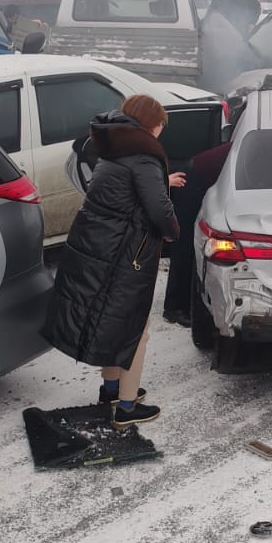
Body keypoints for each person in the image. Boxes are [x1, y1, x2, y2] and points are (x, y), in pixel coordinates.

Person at [42, 95, 182, 429]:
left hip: (99, 248)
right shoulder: (145, 156)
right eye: (161, 122)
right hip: (126, 254)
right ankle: (128, 408)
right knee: (134, 329)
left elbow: (128, 189)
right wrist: (173, 231)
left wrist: (165, 181)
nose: (162, 129)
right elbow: (158, 210)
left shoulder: (114, 149)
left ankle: (111, 390)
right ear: (152, 123)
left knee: (112, 322)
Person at [160, 101, 243, 327]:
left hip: (197, 175)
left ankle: (180, 303)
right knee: (186, 244)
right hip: (193, 180)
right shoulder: (253, 145)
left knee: (188, 245)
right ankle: (175, 307)